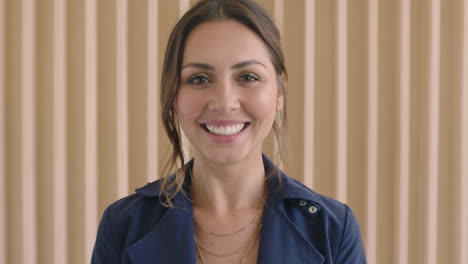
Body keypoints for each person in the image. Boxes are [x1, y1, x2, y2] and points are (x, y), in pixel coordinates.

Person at [91, 0, 366, 263]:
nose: (224, 102)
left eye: (247, 77)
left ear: (279, 91)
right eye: (199, 79)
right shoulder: (122, 227)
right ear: (173, 95)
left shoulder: (332, 231)